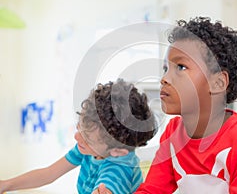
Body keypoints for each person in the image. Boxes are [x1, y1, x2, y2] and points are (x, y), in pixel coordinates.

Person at [133, 16, 237, 193]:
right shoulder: (173, 132)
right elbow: (152, 190)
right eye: (165, 69)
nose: (164, 79)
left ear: (217, 83)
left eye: (181, 67)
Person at [0, 79, 157, 194]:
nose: (77, 137)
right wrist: (5, 185)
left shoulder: (118, 170)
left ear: (117, 151)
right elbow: (49, 173)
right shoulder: (91, 149)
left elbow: (108, 186)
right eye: (79, 127)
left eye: (87, 138)